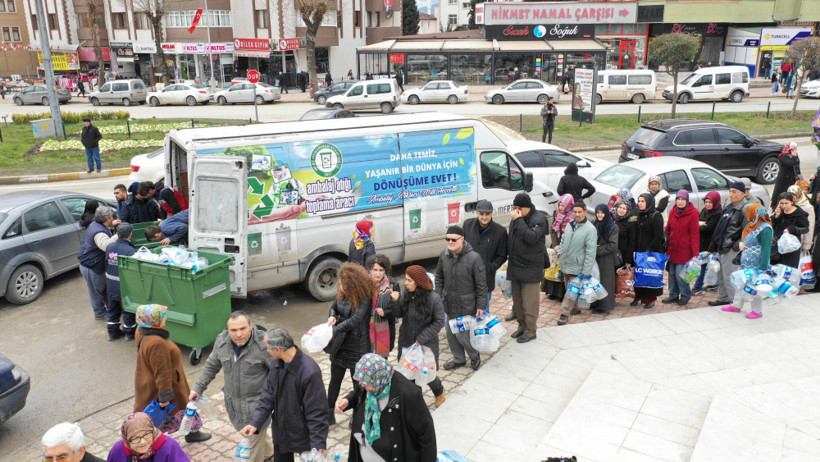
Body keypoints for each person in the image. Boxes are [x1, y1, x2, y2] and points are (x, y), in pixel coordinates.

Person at [190, 312, 273, 462]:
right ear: (227, 330)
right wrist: (198, 388)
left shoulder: (264, 344)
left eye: (243, 328)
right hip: (234, 405)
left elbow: (279, 374)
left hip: (257, 407)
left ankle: (262, 456)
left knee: (252, 452)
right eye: (233, 330)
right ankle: (269, 453)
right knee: (258, 436)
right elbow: (211, 365)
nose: (238, 334)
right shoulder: (222, 341)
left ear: (251, 326)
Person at [241, 327, 329, 462]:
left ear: (278, 350)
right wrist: (255, 423)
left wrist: (318, 443)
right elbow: (268, 395)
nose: (267, 351)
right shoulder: (277, 363)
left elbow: (317, 410)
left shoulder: (310, 372)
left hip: (303, 432)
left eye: (268, 348)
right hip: (281, 429)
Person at [335, 354, 436, 462]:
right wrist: (348, 400)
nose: (362, 385)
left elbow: (426, 435)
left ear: (378, 378)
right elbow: (359, 391)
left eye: (366, 383)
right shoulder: (373, 382)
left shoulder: (409, 395)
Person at [133, 304, 211, 442]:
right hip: (169, 386)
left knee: (180, 410)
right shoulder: (157, 343)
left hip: (150, 382)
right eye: (162, 317)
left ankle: (192, 432)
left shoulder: (142, 331)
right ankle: (152, 442)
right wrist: (165, 396)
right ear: (152, 321)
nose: (165, 319)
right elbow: (162, 373)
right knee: (168, 414)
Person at [326, 263, 375, 425]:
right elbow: (333, 307)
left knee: (358, 384)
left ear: (354, 285)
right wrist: (332, 316)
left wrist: (335, 329)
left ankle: (357, 413)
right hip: (340, 346)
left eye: (344, 285)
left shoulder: (365, 296)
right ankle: (328, 414)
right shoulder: (342, 292)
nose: (341, 287)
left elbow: (355, 320)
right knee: (335, 380)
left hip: (358, 346)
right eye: (340, 284)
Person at [391, 266, 446, 406]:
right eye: (406, 279)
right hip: (407, 341)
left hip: (425, 343)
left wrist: (422, 338)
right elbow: (398, 314)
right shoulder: (406, 294)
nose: (406, 283)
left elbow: (439, 321)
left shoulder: (434, 298)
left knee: (427, 374)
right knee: (409, 374)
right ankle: (417, 403)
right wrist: (395, 301)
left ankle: (439, 391)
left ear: (418, 282)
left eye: (409, 280)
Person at [435, 224, 487, 366]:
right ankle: (459, 359)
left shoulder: (474, 258)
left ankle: (474, 356)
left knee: (462, 334)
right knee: (451, 333)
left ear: (462, 239)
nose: (450, 242)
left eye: (453, 239)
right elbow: (439, 277)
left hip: (467, 303)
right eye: (448, 239)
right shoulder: (443, 255)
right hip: (449, 302)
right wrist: (438, 296)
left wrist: (481, 305)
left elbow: (481, 285)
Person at [506, 193, 548, 338]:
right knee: (518, 302)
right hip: (515, 266)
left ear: (528, 207)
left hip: (531, 267)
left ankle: (531, 331)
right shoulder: (517, 219)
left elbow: (531, 238)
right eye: (515, 207)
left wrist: (518, 220)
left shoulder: (539, 219)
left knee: (530, 304)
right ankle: (521, 326)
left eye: (520, 208)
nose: (517, 210)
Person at [722, 204, 772, 319]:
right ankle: (736, 305)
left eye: (748, 212)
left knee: (754, 286)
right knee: (741, 284)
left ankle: (757, 311)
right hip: (746, 262)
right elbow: (747, 239)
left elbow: (766, 249)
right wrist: (742, 244)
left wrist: (763, 268)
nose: (747, 215)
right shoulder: (752, 225)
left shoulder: (765, 229)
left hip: (757, 264)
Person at [707, 182, 750, 307]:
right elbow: (720, 227)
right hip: (722, 246)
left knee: (730, 277)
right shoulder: (730, 207)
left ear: (742, 194)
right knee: (721, 276)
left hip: (731, 249)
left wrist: (735, 247)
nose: (731, 194)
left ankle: (734, 302)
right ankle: (724, 297)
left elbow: (746, 231)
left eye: (734, 192)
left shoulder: (744, 209)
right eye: (730, 191)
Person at [556, 201, 597, 325]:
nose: (577, 214)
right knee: (568, 287)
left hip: (578, 266)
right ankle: (575, 309)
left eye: (580, 212)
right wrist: (560, 253)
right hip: (566, 263)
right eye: (575, 212)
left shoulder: (591, 229)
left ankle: (564, 314)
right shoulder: (569, 225)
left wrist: (586, 270)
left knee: (571, 291)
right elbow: (563, 241)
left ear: (585, 211)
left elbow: (591, 252)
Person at [463, 199, 508, 310]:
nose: (484, 217)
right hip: (467, 277)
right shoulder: (467, 225)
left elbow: (502, 255)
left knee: (482, 312)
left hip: (485, 279)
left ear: (492, 213)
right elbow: (461, 246)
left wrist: (489, 267)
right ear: (477, 212)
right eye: (481, 214)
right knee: (466, 310)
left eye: (487, 214)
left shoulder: (500, 231)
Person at [78, 206, 118, 320]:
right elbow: (106, 246)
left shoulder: (95, 224)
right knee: (96, 292)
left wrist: (112, 225)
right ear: (107, 219)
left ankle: (110, 308)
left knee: (103, 288)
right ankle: (99, 313)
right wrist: (117, 236)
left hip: (90, 263)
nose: (112, 218)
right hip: (91, 266)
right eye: (111, 217)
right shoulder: (99, 232)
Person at [662, 190, 700, 306]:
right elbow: (668, 228)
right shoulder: (673, 211)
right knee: (672, 273)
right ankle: (673, 295)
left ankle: (685, 295)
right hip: (673, 248)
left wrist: (695, 252)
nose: (680, 201)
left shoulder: (693, 213)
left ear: (687, 200)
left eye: (683, 199)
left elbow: (694, 234)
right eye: (678, 199)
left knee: (681, 274)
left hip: (685, 250)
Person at [106, 412, 190, 461]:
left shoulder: (169, 447)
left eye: (146, 434)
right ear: (127, 440)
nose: (143, 442)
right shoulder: (118, 450)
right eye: (135, 438)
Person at [105, 223, 137, 341]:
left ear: (117, 234)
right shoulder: (130, 251)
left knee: (112, 308)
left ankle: (112, 333)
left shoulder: (109, 247)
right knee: (127, 308)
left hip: (110, 283)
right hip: (124, 285)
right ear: (130, 235)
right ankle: (129, 332)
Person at [632, 194, 665, 309]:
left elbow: (659, 236)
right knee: (639, 274)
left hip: (651, 251)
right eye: (639, 201)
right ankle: (639, 295)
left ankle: (650, 299)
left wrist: (649, 250)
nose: (640, 203)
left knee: (649, 275)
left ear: (649, 202)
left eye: (643, 201)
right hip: (640, 251)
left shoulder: (656, 216)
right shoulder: (639, 214)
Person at [365, 254, 400, 355]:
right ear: (370, 270)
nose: (377, 273)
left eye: (381, 270)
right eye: (375, 270)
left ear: (385, 271)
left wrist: (386, 312)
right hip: (366, 327)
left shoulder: (393, 285)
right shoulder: (362, 284)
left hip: (386, 327)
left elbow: (398, 310)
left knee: (382, 359)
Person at [545, 194, 575, 301]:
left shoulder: (573, 215)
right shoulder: (556, 213)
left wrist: (563, 245)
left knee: (563, 270)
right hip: (556, 245)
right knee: (553, 268)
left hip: (567, 246)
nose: (561, 208)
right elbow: (552, 229)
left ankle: (561, 294)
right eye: (560, 205)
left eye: (563, 206)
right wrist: (555, 244)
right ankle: (552, 292)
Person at [693, 191, 722, 295]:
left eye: (710, 202)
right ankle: (713, 284)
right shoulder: (704, 211)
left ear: (715, 202)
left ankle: (697, 287)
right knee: (708, 265)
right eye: (706, 202)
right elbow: (698, 223)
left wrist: (696, 225)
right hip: (701, 242)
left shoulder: (718, 213)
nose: (707, 204)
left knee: (703, 265)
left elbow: (708, 229)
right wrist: (699, 224)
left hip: (710, 244)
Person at [592, 204, 619, 313]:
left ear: (606, 213)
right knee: (595, 280)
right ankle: (595, 303)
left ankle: (604, 306)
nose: (599, 215)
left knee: (605, 281)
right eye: (598, 212)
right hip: (595, 257)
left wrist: (598, 249)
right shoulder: (595, 223)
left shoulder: (612, 226)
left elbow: (613, 245)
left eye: (602, 212)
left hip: (606, 258)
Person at [772, 192, 810, 269]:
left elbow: (806, 228)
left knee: (788, 270)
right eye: (781, 203)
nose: (784, 206)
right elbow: (773, 225)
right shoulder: (780, 211)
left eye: (786, 203)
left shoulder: (799, 214)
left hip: (791, 247)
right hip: (777, 245)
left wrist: (793, 229)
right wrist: (776, 216)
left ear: (792, 202)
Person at [772, 142, 801, 209]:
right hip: (784, 181)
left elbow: (797, 164)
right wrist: (794, 156)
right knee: (782, 195)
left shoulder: (795, 155)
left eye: (795, 148)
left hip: (792, 179)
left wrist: (798, 175)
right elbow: (790, 164)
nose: (795, 150)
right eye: (793, 149)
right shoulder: (783, 156)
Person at [788, 184, 815, 255]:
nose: (792, 197)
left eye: (794, 194)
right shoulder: (784, 203)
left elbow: (810, 226)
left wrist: (806, 245)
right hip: (785, 239)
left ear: (799, 194)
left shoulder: (807, 207)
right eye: (790, 194)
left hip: (798, 240)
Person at [613, 199, 638, 271]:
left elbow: (631, 243)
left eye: (624, 208)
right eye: (620, 207)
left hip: (622, 256)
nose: (621, 210)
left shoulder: (631, 223)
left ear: (628, 211)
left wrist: (628, 261)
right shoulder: (613, 219)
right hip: (612, 254)